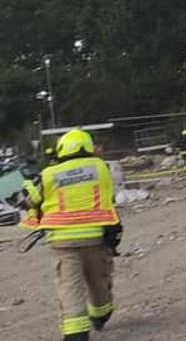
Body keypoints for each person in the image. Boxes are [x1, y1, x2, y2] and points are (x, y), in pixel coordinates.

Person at [20, 128, 121, 341]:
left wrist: (29, 183)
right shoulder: (101, 167)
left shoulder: (49, 174)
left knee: (70, 285)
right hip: (96, 236)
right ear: (88, 146)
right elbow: (109, 195)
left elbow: (30, 200)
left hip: (63, 240)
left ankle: (76, 333)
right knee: (98, 279)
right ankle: (101, 314)